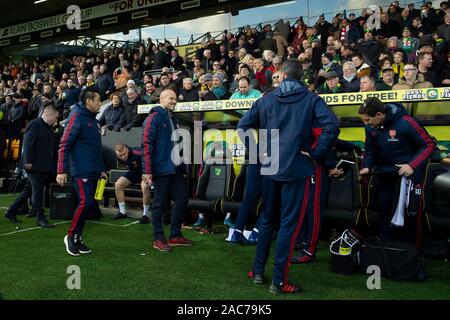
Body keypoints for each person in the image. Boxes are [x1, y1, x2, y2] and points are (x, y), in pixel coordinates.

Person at [238, 60, 339, 294]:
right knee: (288, 226)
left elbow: (243, 126)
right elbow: (331, 126)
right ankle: (279, 281)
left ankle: (257, 271)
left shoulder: (267, 99)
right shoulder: (312, 98)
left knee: (267, 220)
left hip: (271, 166)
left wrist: (257, 152)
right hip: (296, 167)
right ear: (300, 76)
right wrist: (315, 153)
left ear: (281, 75)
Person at [358, 97, 435, 247]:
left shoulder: (406, 122)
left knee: (410, 213)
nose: (366, 124)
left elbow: (428, 145)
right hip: (384, 175)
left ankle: (411, 252)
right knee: (384, 207)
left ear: (379, 115)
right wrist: (367, 165)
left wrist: (411, 165)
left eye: (368, 120)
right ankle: (387, 249)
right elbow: (370, 150)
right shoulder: (370, 127)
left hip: (408, 176)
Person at [57, 88, 108, 257]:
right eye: (98, 100)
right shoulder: (76, 116)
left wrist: (101, 169)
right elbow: (64, 145)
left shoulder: (94, 121)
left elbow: (96, 148)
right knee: (85, 202)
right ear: (89, 101)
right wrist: (61, 170)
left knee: (89, 204)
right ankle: (70, 236)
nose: (100, 103)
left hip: (93, 170)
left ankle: (77, 238)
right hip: (81, 170)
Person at [141, 89, 193, 252]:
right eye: (171, 98)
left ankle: (175, 234)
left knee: (182, 199)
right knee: (159, 204)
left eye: (175, 98)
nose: (174, 101)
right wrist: (147, 170)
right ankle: (158, 238)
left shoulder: (174, 119)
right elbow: (146, 145)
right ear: (162, 99)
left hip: (175, 169)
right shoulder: (153, 118)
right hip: (161, 169)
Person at [4, 104, 59, 227]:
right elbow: (27, 144)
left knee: (28, 190)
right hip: (32, 166)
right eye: (55, 117)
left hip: (42, 166)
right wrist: (28, 161)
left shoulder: (48, 128)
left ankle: (11, 211)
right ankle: (40, 216)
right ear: (49, 115)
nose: (56, 120)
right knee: (37, 190)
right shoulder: (35, 124)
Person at [111, 143, 151, 224]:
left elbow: (149, 158)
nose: (123, 157)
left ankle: (145, 215)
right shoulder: (119, 157)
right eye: (120, 155)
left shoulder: (137, 152)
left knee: (144, 186)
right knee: (118, 184)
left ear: (127, 149)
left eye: (124, 154)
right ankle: (122, 212)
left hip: (147, 172)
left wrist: (147, 173)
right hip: (135, 173)